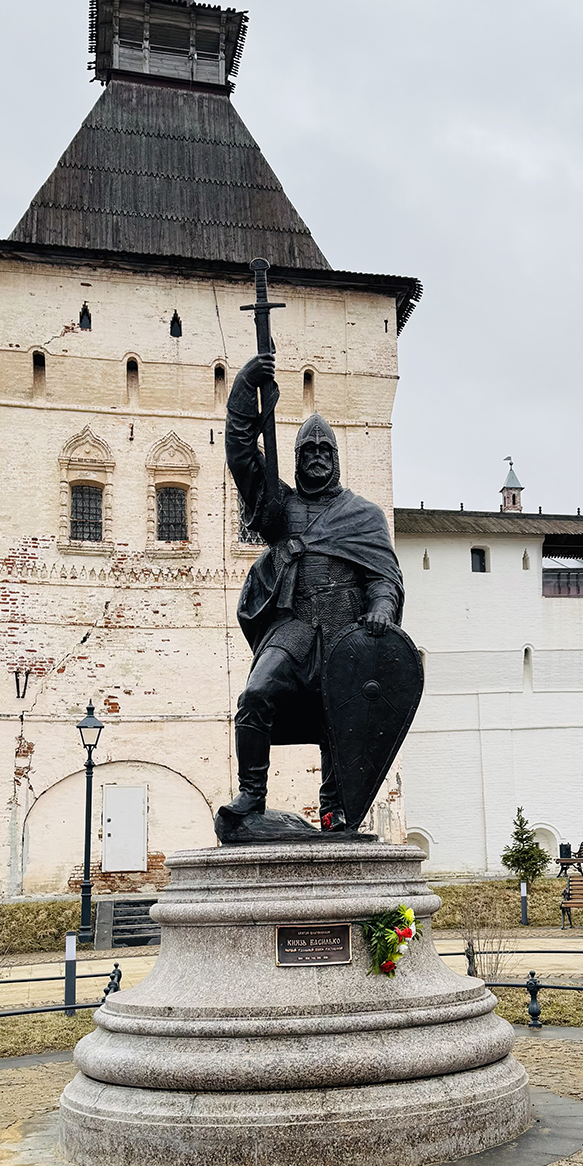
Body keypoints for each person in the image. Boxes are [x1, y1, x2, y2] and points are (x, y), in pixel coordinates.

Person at [221, 352, 404, 831]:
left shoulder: (363, 515)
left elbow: (383, 576)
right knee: (256, 694)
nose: (317, 456)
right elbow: (242, 454)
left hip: (346, 627)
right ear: (298, 457)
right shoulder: (279, 507)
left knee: (340, 717)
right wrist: (244, 389)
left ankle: (334, 808)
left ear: (336, 459)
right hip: (295, 625)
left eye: (326, 450)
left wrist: (382, 608)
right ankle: (252, 796)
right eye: (309, 450)